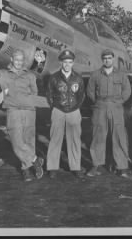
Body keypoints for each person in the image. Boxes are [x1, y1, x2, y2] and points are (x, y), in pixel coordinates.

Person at [0, 49, 44, 182]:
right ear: (11, 60)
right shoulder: (3, 74)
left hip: (29, 111)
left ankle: (26, 169)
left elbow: (34, 92)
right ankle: (35, 159)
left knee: (28, 139)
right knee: (16, 141)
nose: (18, 62)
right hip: (13, 111)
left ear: (23, 61)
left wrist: (28, 102)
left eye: (21, 60)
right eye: (16, 60)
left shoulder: (30, 75)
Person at [86, 49, 132, 180]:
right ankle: (96, 165)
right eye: (105, 58)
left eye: (109, 58)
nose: (107, 60)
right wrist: (97, 102)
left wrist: (119, 101)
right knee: (98, 136)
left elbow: (127, 90)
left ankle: (122, 167)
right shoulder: (95, 75)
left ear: (113, 59)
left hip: (116, 107)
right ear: (102, 60)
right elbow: (90, 91)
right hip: (100, 107)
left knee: (119, 136)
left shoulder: (121, 75)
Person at [46, 49, 85, 179]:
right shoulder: (54, 77)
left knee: (74, 140)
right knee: (55, 139)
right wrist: (55, 107)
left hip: (74, 111)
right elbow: (49, 94)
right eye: (65, 62)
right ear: (61, 63)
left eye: (70, 62)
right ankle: (52, 167)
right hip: (58, 111)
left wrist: (75, 107)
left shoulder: (78, 78)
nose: (67, 64)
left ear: (73, 63)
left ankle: (76, 167)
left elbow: (81, 95)